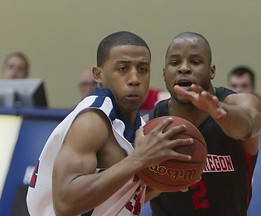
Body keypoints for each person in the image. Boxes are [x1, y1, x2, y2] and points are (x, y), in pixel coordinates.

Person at [26, 31, 195, 216]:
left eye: (142, 69)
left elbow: (110, 203)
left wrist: (161, 185)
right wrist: (139, 160)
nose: (134, 79)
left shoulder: (137, 125)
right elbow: (65, 205)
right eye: (123, 68)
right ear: (98, 75)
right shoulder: (92, 121)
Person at [147, 32, 261, 216]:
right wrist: (160, 184)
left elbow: (250, 125)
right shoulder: (151, 124)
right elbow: (133, 195)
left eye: (195, 61)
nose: (183, 68)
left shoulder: (237, 103)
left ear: (212, 70)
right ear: (164, 72)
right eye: (175, 62)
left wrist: (220, 113)